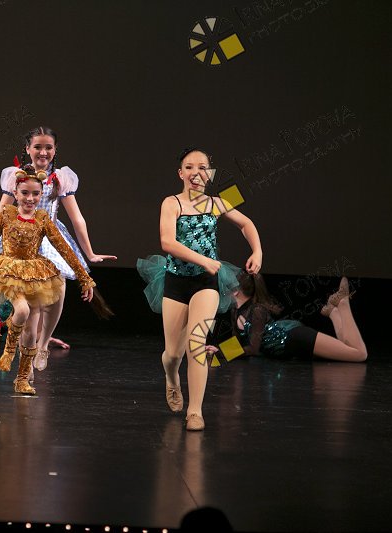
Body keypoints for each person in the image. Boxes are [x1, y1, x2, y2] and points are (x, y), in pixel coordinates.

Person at [137, 148, 263, 431]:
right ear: (181, 173)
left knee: (196, 344)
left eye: (202, 167)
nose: (196, 172)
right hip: (176, 281)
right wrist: (202, 259)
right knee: (173, 353)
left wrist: (257, 251)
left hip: (207, 283)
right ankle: (172, 377)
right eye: (190, 167)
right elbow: (167, 242)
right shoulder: (171, 203)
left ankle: (195, 411)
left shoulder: (218, 202)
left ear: (210, 173)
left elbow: (246, 224)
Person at [0, 165, 95, 395]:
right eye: (25, 193)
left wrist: (84, 278)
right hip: (8, 272)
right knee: (21, 310)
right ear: (15, 193)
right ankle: (9, 349)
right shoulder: (6, 215)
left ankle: (22, 378)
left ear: (41, 195)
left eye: (35, 194)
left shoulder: (42, 219)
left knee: (31, 332)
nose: (30, 198)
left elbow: (64, 249)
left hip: (34, 273)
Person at [0, 126, 116, 372]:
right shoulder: (16, 176)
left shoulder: (60, 178)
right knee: (32, 305)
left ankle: (44, 344)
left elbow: (77, 218)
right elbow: (0, 213)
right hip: (21, 237)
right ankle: (27, 356)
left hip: (50, 235)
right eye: (37, 147)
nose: (43, 152)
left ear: (55, 150)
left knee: (58, 289)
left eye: (48, 147)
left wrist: (89, 253)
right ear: (27, 149)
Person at [220, 272, 367, 362]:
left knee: (359, 354)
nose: (224, 292)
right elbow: (237, 344)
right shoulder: (236, 312)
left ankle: (343, 304)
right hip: (293, 346)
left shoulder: (257, 310)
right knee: (348, 347)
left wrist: (221, 354)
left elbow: (253, 348)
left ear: (236, 291)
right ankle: (333, 312)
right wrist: (215, 352)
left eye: (227, 288)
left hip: (296, 338)